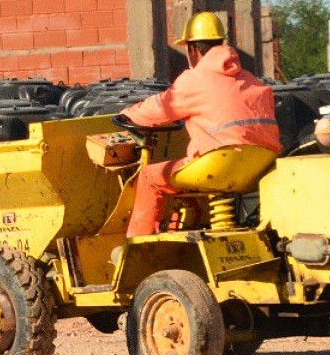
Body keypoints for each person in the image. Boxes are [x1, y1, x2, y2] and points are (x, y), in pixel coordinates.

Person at [116, 12, 283, 237]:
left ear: (192, 49)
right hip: (260, 163)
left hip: (218, 163)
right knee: (190, 175)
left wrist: (127, 115)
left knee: (150, 177)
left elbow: (159, 108)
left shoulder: (195, 80)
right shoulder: (251, 79)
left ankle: (136, 247)